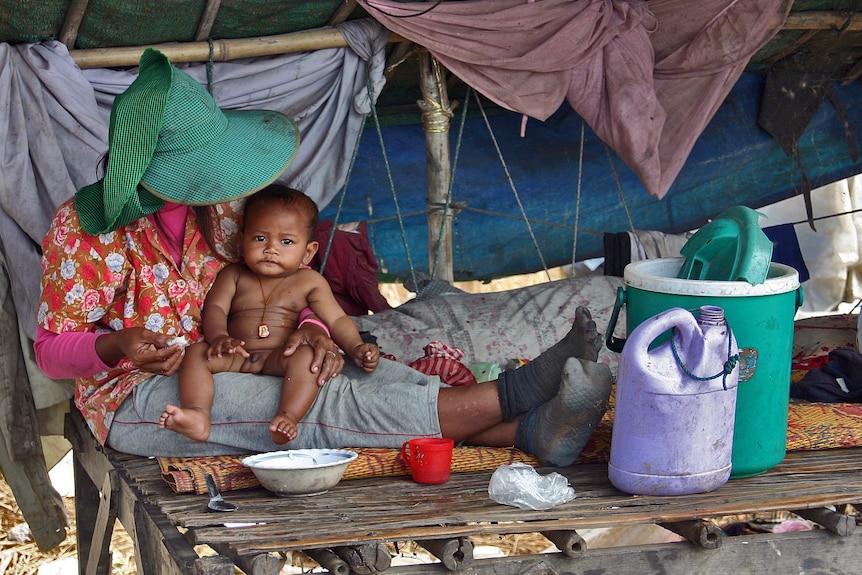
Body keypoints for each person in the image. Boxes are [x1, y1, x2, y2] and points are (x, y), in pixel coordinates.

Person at [35, 48, 613, 467]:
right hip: (141, 394)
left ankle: (530, 431)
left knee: (355, 369)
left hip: (247, 351)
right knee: (305, 410)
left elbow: (289, 281)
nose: (218, 184)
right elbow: (52, 351)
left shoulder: (221, 209)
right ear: (168, 175)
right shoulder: (83, 232)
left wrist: (312, 330)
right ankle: (516, 396)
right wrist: (115, 345)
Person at [159, 185, 379, 444]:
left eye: (286, 241)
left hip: (280, 356)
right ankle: (198, 414)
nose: (271, 249)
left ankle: (288, 415)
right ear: (242, 241)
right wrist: (219, 337)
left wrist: (355, 347)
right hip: (239, 355)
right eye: (260, 238)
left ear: (308, 252)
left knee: (308, 358)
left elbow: (337, 319)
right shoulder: (234, 275)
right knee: (197, 353)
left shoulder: (310, 281)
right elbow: (216, 309)